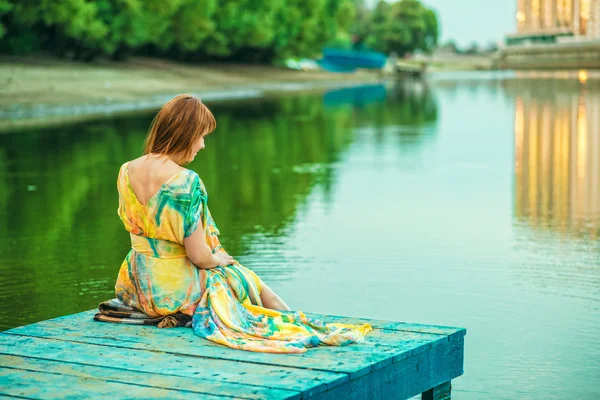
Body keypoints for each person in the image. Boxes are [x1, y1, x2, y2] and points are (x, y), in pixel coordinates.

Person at [96, 94, 371, 353]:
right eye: (201, 136)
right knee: (243, 277)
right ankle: (299, 323)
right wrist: (220, 259)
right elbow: (199, 257)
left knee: (236, 274)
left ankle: (294, 319)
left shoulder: (126, 170)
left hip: (136, 285)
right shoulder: (186, 181)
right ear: (186, 134)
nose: (202, 145)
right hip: (173, 290)